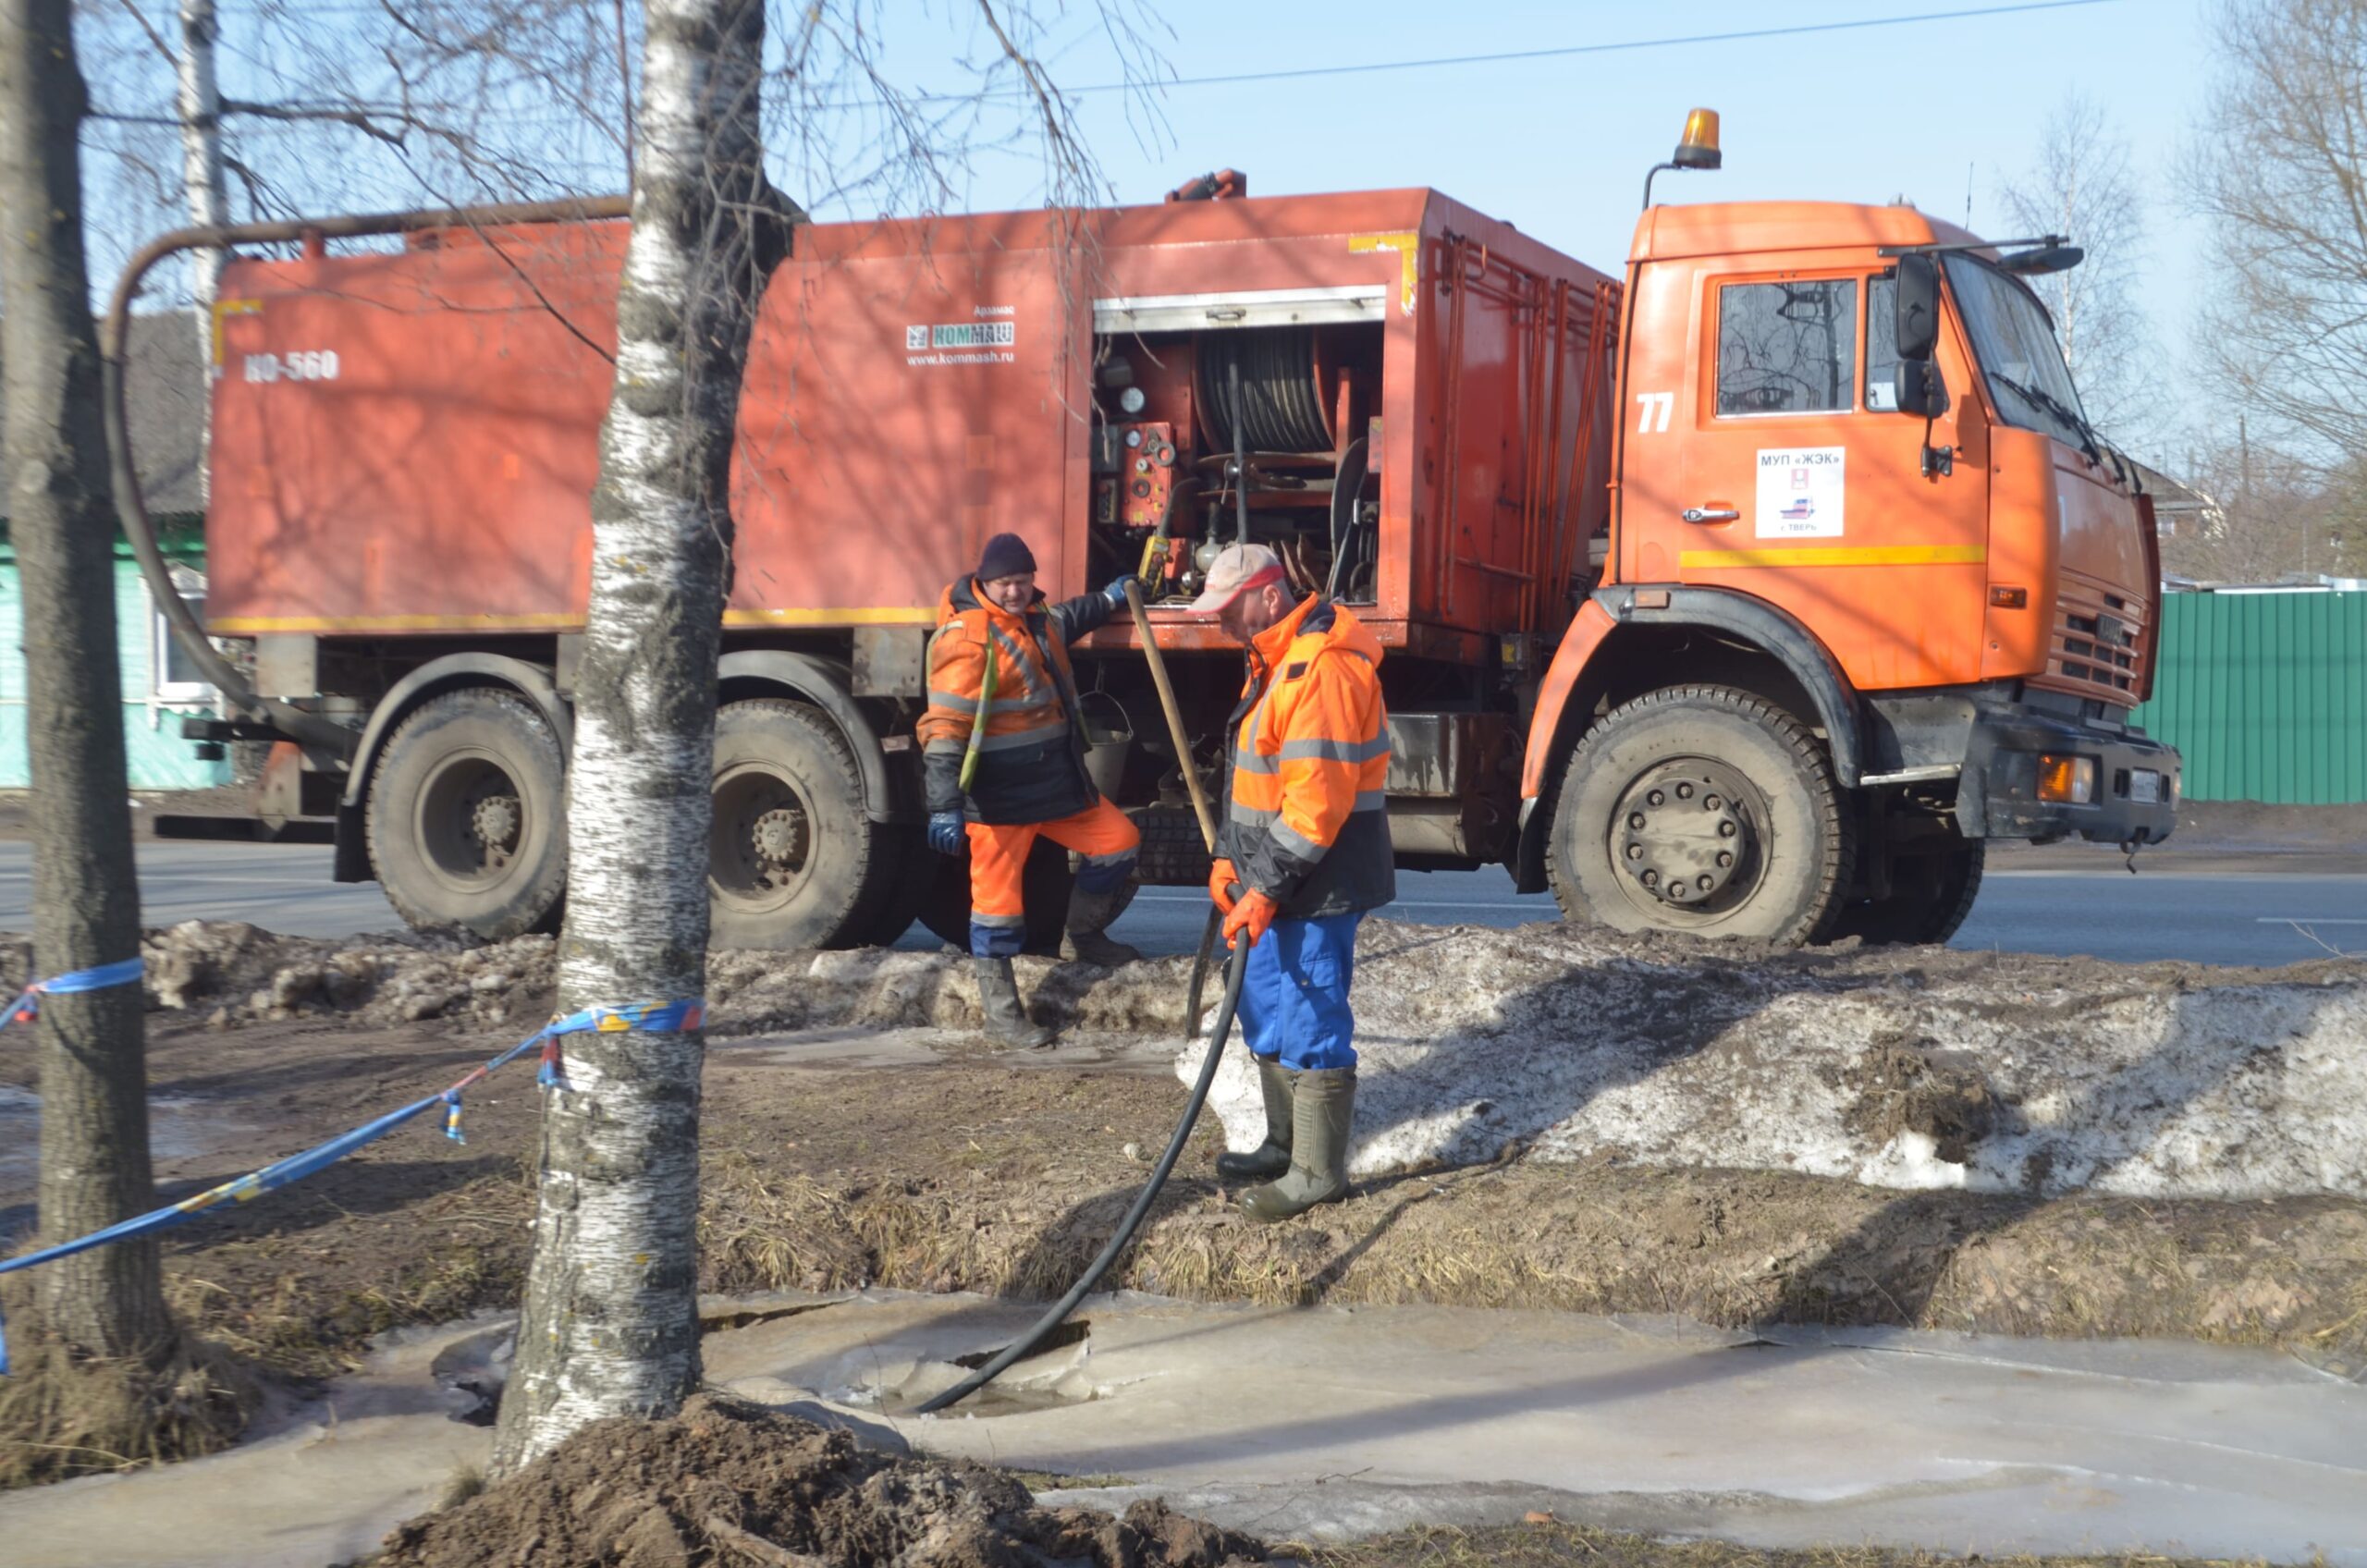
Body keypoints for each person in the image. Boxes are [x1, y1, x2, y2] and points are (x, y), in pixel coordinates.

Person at [1193, 543, 1392, 1221]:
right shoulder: (1271, 661)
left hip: (1317, 881)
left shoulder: (1324, 670)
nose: (1220, 624)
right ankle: (1283, 1144)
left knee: (1311, 1017)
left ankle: (1317, 1172)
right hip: (1274, 878)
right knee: (1265, 1009)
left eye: (1229, 609)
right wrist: (1228, 856)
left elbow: (1316, 805)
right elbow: (1252, 779)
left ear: (1270, 597)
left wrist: (1265, 886)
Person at [917, 532, 1144, 1047]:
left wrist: (1110, 597)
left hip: (1056, 785)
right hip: (1000, 802)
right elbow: (945, 727)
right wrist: (944, 806)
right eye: (1006, 583)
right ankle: (1003, 1020)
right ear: (985, 582)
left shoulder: (1035, 620)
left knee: (1119, 842)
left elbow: (1068, 618)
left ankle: (1081, 938)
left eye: (1023, 581)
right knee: (997, 909)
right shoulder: (968, 638)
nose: (1016, 591)